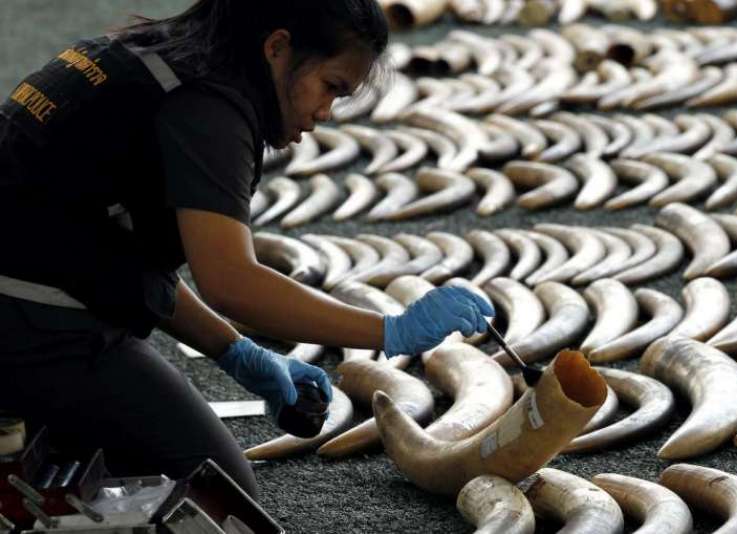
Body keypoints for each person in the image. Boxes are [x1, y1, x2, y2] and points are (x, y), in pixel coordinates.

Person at [0, 0, 494, 498]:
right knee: (218, 497)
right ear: (277, 47)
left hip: (35, 292)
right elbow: (231, 283)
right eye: (330, 86)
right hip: (30, 325)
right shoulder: (207, 109)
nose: (324, 113)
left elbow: (111, 256)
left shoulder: (144, 55)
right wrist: (390, 331)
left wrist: (236, 351)